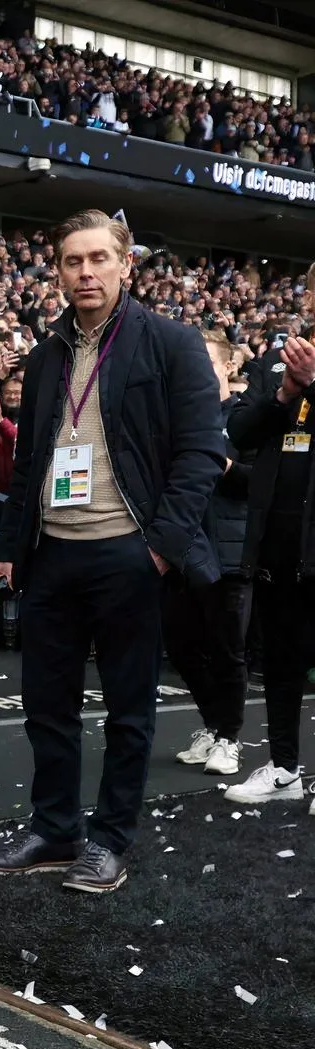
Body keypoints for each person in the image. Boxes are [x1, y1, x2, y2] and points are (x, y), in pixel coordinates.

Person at [0, 209, 223, 893]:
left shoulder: (171, 343)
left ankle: (109, 839)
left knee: (128, 709)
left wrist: (161, 549)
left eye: (97, 259)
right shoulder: (50, 351)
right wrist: (9, 547)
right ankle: (56, 828)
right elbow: (30, 460)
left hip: (130, 553)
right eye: (71, 261)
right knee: (45, 705)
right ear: (57, 271)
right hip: (54, 551)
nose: (84, 272)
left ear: (125, 264)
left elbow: (202, 453)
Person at [220, 275, 314, 811]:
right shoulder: (278, 360)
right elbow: (241, 431)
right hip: (277, 541)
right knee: (280, 661)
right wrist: (285, 392)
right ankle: (284, 769)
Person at [167, 333, 255, 778]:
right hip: (183, 549)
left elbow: (263, 481)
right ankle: (213, 725)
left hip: (230, 552)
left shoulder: (244, 418)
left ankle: (230, 739)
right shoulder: (180, 419)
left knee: (227, 648)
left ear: (227, 366)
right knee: (181, 645)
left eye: (207, 361)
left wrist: (223, 466)